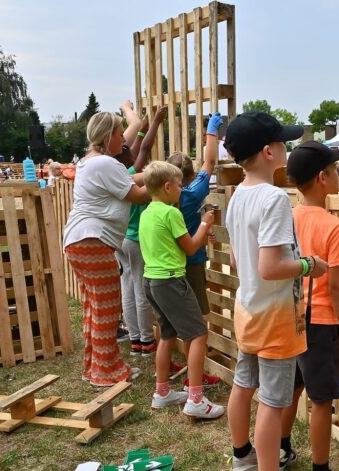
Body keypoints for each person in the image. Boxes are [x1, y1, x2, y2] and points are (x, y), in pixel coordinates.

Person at [224, 111, 327, 471]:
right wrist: (308, 265)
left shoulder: (239, 197)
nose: (287, 146)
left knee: (243, 384)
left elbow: (239, 261)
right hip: (277, 318)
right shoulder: (273, 199)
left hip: (247, 309)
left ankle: (242, 457)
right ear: (269, 152)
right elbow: (271, 267)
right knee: (272, 401)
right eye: (283, 142)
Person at [279, 141, 339, 471]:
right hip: (321, 323)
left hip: (289, 317)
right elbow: (337, 291)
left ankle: (282, 450)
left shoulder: (287, 216)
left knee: (291, 388)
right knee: (321, 400)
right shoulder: (335, 227)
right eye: (334, 168)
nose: (338, 172)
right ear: (321, 178)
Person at [62, 111, 151, 387]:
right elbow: (136, 195)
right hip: (93, 241)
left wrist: (149, 174)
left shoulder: (92, 162)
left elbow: (128, 182)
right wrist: (164, 182)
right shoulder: (105, 163)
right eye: (119, 133)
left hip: (81, 241)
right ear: (107, 136)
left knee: (96, 307)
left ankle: (96, 365)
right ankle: (105, 372)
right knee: (107, 309)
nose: (123, 138)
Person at [139, 160, 225, 419]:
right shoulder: (171, 213)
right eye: (178, 185)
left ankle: (162, 393)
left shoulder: (147, 213)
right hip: (171, 281)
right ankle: (196, 399)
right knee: (198, 335)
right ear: (167, 186)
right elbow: (190, 248)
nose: (181, 189)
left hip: (151, 281)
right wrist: (205, 223)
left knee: (167, 336)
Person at [166, 111, 224, 387]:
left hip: (168, 266)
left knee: (175, 325)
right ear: (188, 176)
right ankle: (195, 376)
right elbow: (210, 161)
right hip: (192, 262)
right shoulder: (190, 195)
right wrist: (211, 132)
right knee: (196, 321)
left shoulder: (160, 199)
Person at [115, 106, 167, 357]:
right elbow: (144, 147)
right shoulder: (131, 174)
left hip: (121, 239)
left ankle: (135, 337)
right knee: (139, 290)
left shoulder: (117, 174)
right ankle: (146, 341)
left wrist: (146, 122)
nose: (139, 156)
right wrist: (155, 122)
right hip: (135, 240)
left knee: (127, 286)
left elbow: (141, 146)